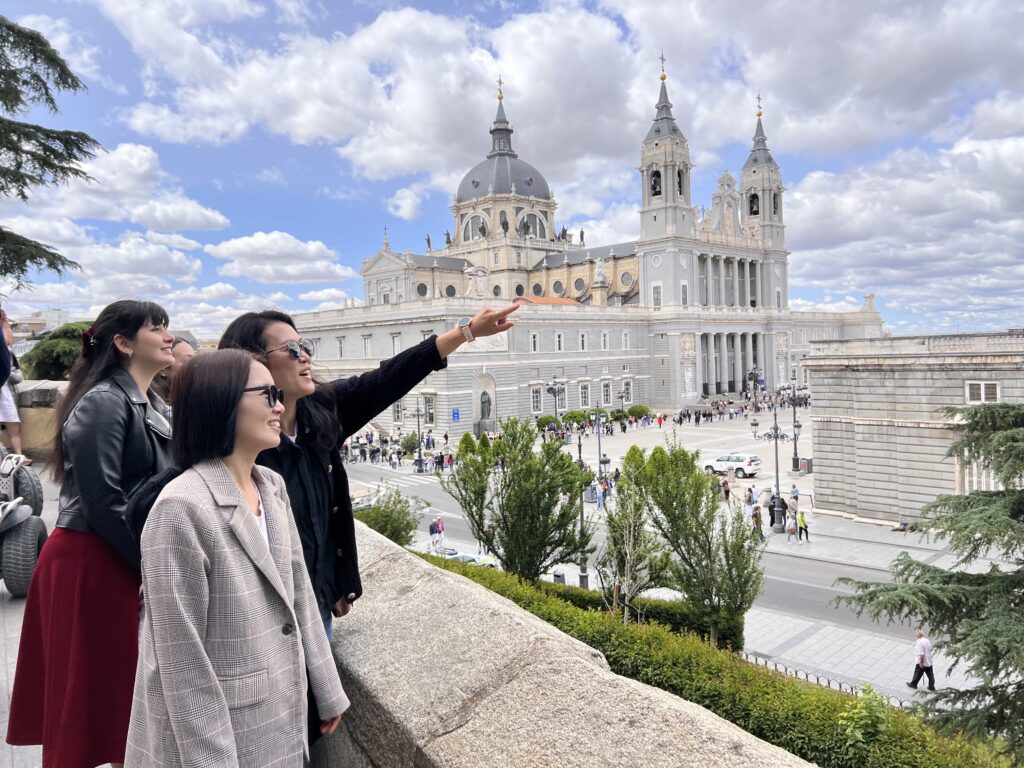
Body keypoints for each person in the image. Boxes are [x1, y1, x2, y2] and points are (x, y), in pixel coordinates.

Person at [218, 304, 518, 638]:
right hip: (259, 619)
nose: (304, 356)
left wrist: (466, 332)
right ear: (251, 364)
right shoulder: (233, 444)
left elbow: (389, 377)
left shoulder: (323, 408)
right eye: (290, 349)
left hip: (316, 607)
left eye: (305, 347)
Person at [125, 350, 348, 765]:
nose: (280, 405)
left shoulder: (272, 487)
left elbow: (299, 593)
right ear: (222, 401)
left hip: (282, 714)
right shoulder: (181, 508)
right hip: (220, 733)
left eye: (278, 393)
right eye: (267, 394)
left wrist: (327, 688)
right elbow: (180, 661)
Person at [8, 301, 174, 767]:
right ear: (123, 343)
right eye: (155, 327)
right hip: (96, 557)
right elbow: (105, 502)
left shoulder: (149, 401)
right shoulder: (105, 400)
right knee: (98, 692)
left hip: (114, 554)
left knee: (119, 693)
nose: (167, 334)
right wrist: (151, 566)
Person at [150, 336, 196, 412]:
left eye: (195, 360)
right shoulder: (156, 408)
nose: (195, 365)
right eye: (188, 361)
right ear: (162, 369)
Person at [906, 627, 936, 691]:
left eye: (916, 633)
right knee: (930, 674)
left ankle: (913, 684)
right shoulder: (926, 640)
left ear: (919, 635)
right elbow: (931, 649)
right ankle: (931, 686)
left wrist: (921, 663)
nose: (915, 634)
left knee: (917, 673)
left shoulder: (919, 643)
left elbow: (921, 654)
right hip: (929, 660)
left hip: (922, 661)